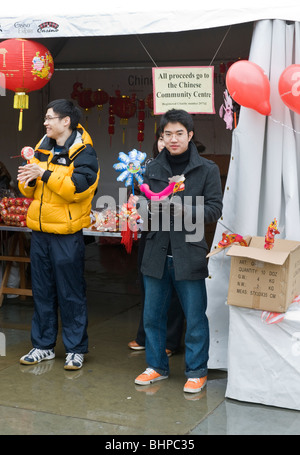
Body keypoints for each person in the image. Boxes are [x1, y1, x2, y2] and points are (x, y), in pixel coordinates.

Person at [134, 109, 223, 393]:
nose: (173, 139)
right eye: (168, 134)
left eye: (179, 134)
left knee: (195, 316)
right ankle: (156, 366)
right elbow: (142, 206)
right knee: (152, 315)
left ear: (190, 135)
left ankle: (196, 370)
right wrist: (136, 211)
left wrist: (185, 209)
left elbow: (215, 209)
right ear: (161, 137)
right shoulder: (150, 169)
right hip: (156, 250)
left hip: (190, 251)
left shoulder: (206, 169)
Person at [17, 99, 100, 370]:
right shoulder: (42, 146)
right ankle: (43, 346)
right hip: (40, 232)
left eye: (50, 118)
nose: (45, 122)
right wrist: (27, 178)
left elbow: (78, 188)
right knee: (42, 291)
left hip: (66, 233)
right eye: (45, 117)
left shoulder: (84, 152)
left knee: (71, 292)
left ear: (66, 121)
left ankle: (75, 349)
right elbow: (30, 190)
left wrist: (44, 173)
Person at [128, 128, 185, 355]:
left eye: (171, 137)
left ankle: (170, 341)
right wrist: (135, 202)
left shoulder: (184, 171)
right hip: (151, 235)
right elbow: (142, 201)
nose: (165, 142)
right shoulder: (148, 169)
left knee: (173, 291)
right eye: (162, 138)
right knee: (148, 287)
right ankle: (145, 336)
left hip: (177, 235)